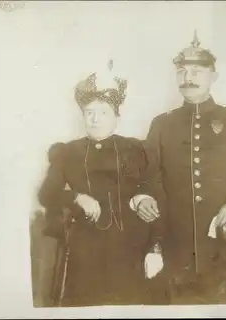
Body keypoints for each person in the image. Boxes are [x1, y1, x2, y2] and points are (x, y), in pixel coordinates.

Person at [130, 31, 226, 304]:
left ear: (213, 76)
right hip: (173, 249)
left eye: (197, 71)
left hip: (224, 248)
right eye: (182, 71)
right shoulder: (162, 124)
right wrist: (144, 196)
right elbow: (147, 175)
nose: (188, 78)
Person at [37, 60, 155, 307]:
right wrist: (76, 197)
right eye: (89, 113)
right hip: (84, 248)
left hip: (129, 246)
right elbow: (47, 193)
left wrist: (143, 197)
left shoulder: (133, 148)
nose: (95, 119)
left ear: (116, 116)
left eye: (103, 113)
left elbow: (148, 185)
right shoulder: (68, 152)